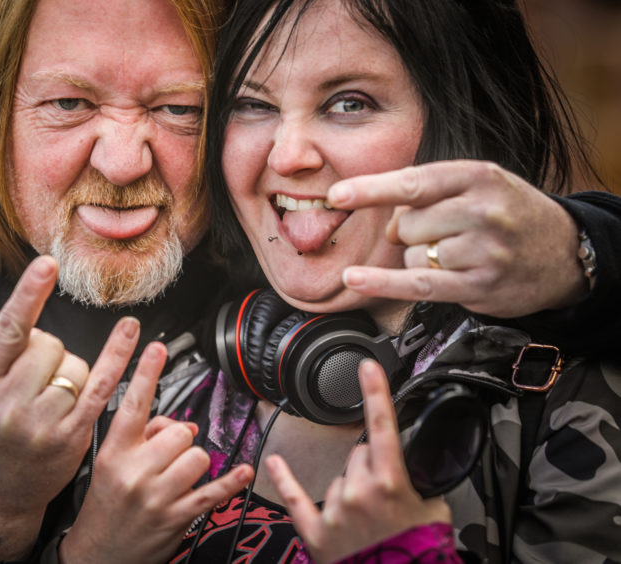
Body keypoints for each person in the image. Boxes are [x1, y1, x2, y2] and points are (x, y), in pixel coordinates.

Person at [0, 0, 619, 563]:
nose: (122, 159)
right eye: (68, 105)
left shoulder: (558, 384)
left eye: (181, 109)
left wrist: (583, 250)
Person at [161, 0, 618, 561]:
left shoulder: (568, 394)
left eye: (350, 103)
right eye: (253, 103)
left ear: (463, 122)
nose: (288, 154)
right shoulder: (165, 365)